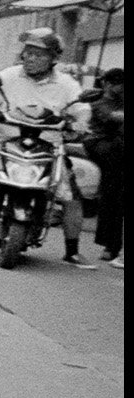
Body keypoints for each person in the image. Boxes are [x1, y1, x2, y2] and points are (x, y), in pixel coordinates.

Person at [0, 28, 93, 267]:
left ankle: (72, 251)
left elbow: (82, 109)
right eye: (28, 53)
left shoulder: (66, 83)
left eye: (39, 54)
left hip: (48, 145)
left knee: (71, 196)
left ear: (53, 58)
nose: (30, 58)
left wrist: (81, 122)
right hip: (6, 140)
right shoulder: (8, 75)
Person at [80, 68, 123, 268]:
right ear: (107, 84)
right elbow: (113, 116)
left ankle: (111, 247)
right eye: (118, 84)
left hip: (115, 149)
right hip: (100, 145)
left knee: (114, 196)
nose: (121, 88)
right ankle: (110, 246)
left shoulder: (120, 100)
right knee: (112, 194)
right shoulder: (98, 102)